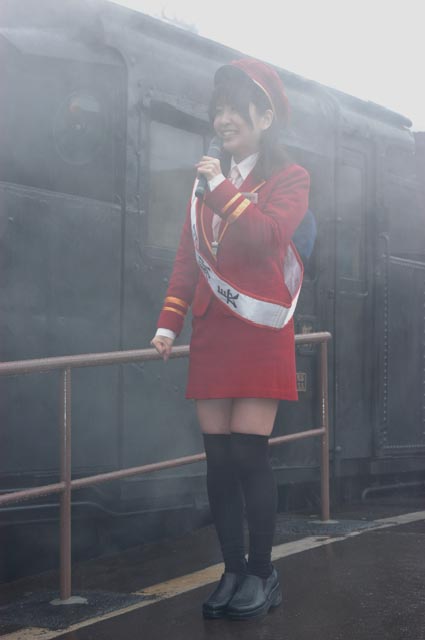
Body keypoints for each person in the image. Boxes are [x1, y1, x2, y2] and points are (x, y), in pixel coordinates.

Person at [151, 57, 310, 620]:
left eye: (234, 109)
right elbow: (187, 258)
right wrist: (168, 323)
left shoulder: (289, 179)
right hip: (214, 332)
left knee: (249, 455)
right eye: (218, 109)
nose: (223, 119)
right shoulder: (206, 184)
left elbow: (268, 237)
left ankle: (263, 572)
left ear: (265, 117)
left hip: (260, 331)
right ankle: (233, 569)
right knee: (217, 461)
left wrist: (218, 187)